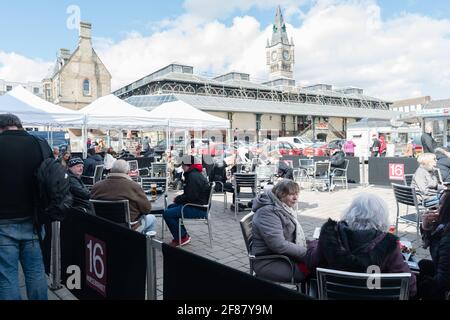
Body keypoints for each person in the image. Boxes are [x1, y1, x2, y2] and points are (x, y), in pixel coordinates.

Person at [308, 193, 417, 298]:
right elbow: (410, 287)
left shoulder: (330, 236)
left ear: (350, 211)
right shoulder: (388, 244)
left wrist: (315, 244)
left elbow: (312, 263)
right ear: (382, 217)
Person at [0, 113, 50, 300]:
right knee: (36, 271)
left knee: (7, 276)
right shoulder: (39, 144)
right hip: (34, 218)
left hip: (2, 222)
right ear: (19, 126)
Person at [251, 180, 309, 283]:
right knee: (310, 270)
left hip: (284, 257)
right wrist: (306, 253)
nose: (295, 198)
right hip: (269, 261)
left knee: (318, 259)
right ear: (280, 194)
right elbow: (278, 245)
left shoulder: (281, 207)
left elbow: (290, 236)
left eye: (297, 194)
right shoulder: (268, 213)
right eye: (291, 194)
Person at [91, 160, 156, 234]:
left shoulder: (96, 186)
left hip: (103, 225)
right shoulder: (134, 186)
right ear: (128, 172)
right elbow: (147, 210)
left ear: (111, 170)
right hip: (128, 227)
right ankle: (146, 243)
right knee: (152, 218)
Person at [163, 155, 210, 246]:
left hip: (198, 209)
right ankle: (183, 234)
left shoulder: (193, 176)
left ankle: (182, 237)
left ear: (187, 165)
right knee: (170, 208)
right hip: (197, 205)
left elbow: (190, 197)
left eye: (182, 165)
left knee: (167, 214)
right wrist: (178, 199)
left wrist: (177, 199)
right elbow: (190, 194)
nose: (182, 167)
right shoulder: (194, 174)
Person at [417, 190, 450, 299]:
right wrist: (426, 227)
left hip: (445, 285)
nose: (436, 208)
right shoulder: (444, 227)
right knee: (422, 265)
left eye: (440, 204)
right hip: (443, 273)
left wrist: (415, 289)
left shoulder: (447, 238)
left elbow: (443, 280)